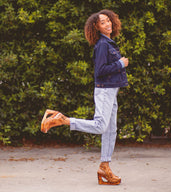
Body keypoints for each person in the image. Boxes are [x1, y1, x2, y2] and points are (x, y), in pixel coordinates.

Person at [41, 9, 129, 185]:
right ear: (96, 27)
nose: (108, 24)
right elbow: (100, 71)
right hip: (104, 90)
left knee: (111, 130)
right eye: (103, 22)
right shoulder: (103, 45)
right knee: (100, 126)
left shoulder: (108, 43)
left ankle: (105, 167)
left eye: (108, 20)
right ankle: (62, 120)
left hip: (111, 91)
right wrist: (120, 63)